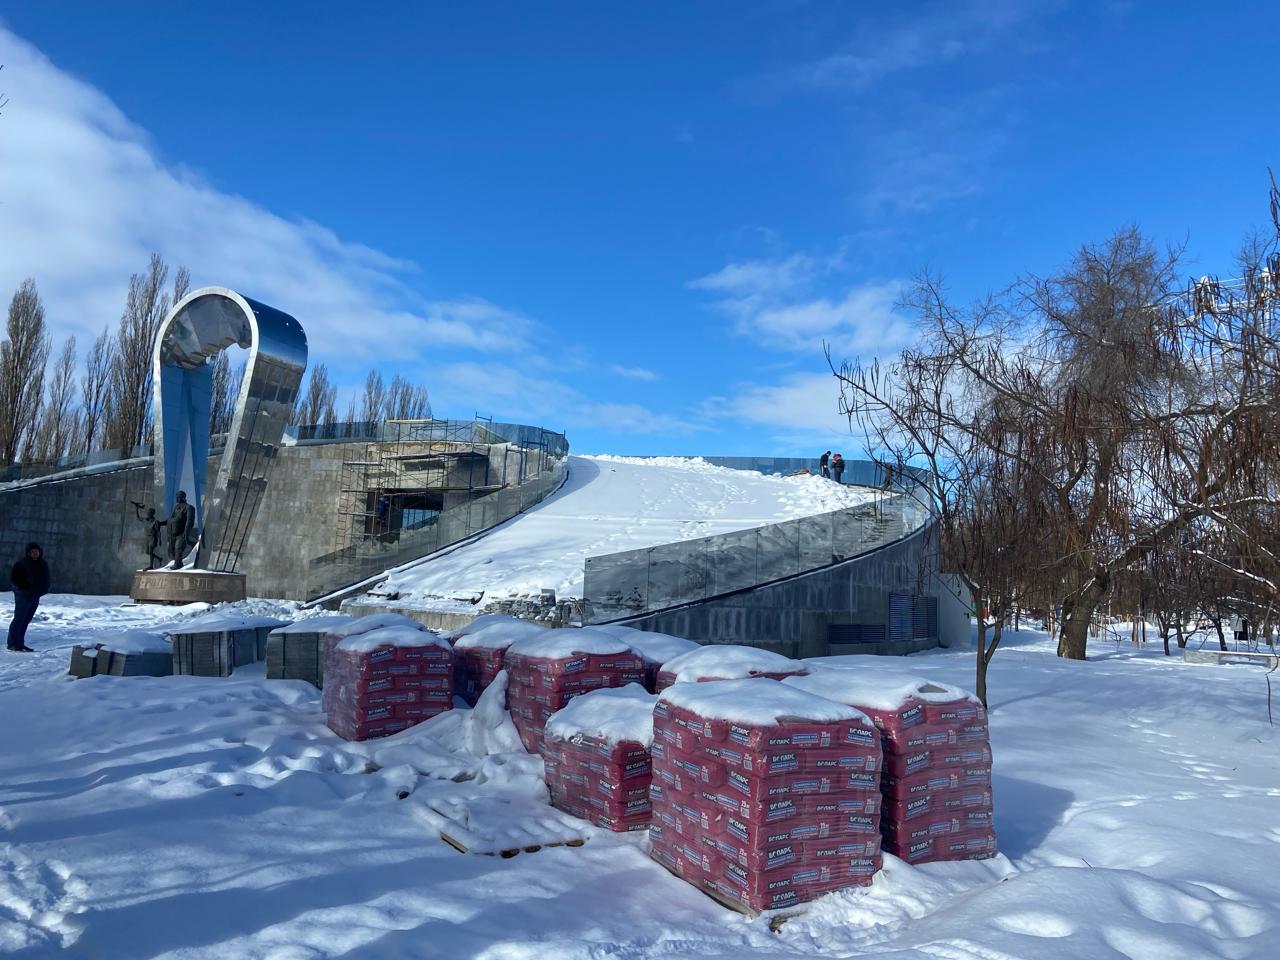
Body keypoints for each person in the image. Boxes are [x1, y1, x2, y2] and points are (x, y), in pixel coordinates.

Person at [8, 542, 50, 652]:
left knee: (26, 620)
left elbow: (46, 578)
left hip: (35, 596)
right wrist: (26, 586)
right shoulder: (21, 564)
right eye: (33, 552)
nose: (35, 553)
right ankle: (12, 643)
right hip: (23, 596)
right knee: (19, 619)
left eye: (37, 551)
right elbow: (15, 579)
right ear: (28, 553)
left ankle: (20, 643)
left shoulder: (42, 564)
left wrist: (44, 589)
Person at [132, 502, 167, 570]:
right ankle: (159, 558)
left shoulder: (155, 522)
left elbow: (158, 531)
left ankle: (151, 566)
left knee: (151, 550)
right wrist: (136, 508)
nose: (147, 514)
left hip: (153, 538)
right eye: (148, 513)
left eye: (149, 513)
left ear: (152, 514)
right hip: (147, 538)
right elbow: (138, 517)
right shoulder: (145, 520)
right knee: (147, 552)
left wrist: (160, 540)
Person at [167, 491, 196, 569]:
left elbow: (189, 521)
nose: (177, 499)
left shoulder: (189, 507)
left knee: (178, 548)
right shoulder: (176, 507)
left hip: (181, 532)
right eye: (176, 497)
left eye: (179, 497)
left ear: (183, 498)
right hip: (173, 532)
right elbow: (171, 519)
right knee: (172, 549)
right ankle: (176, 562)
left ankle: (178, 564)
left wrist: (186, 532)